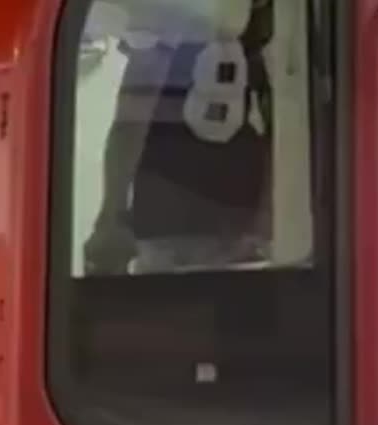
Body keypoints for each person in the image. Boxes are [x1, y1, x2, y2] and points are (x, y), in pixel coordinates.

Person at [83, 0, 275, 275]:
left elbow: (132, 117)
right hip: (220, 207)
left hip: (177, 207)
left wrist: (111, 215)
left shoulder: (168, 16)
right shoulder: (262, 24)